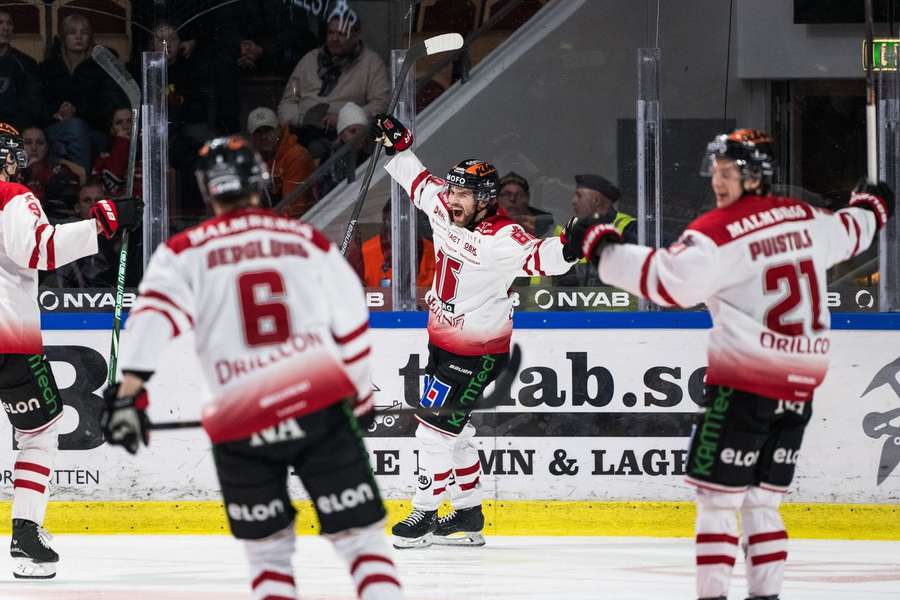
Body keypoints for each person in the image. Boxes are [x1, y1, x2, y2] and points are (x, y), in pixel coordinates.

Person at [565, 129, 894, 600]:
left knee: (718, 502)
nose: (717, 182)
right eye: (715, 172)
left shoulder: (717, 233)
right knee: (763, 502)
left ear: (755, 176)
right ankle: (767, 595)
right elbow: (854, 229)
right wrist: (872, 205)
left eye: (728, 173)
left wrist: (601, 247)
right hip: (799, 386)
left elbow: (666, 283)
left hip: (744, 386)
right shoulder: (808, 217)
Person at [101, 135, 404, 600]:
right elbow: (351, 321)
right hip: (317, 407)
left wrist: (129, 395)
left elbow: (152, 320)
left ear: (208, 189)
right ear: (259, 180)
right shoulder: (301, 238)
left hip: (238, 420)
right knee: (362, 544)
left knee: (269, 557)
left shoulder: (184, 252)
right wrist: (360, 395)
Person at [373, 114, 578, 548]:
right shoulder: (444, 206)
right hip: (442, 344)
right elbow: (416, 179)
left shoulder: (503, 238)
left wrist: (572, 244)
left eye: (463, 193)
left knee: (431, 429)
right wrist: (399, 144)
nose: (452, 199)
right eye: (452, 190)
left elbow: (545, 258)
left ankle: (425, 514)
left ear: (485, 199)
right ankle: (468, 515)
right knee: (457, 432)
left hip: (479, 353)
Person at [0, 122, 141, 578]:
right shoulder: (13, 197)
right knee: (39, 434)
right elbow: (39, 249)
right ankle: (25, 535)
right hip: (11, 340)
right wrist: (103, 222)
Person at [277, 15, 389, 133]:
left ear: (355, 37)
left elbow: (380, 104)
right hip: (303, 130)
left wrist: (346, 120)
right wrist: (295, 121)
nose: (334, 38)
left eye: (341, 34)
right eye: (331, 33)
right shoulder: (309, 60)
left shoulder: (371, 63)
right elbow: (290, 98)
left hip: (344, 133)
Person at [556, 173, 637, 287]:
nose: (573, 201)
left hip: (620, 303)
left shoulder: (629, 227)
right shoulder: (573, 228)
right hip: (581, 302)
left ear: (596, 200)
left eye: (579, 196)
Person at [247, 106, 315, 216]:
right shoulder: (251, 159)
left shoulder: (296, 156)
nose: (264, 136)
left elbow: (293, 208)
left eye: (268, 130)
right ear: (252, 137)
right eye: (258, 132)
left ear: (278, 130)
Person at [362, 201, 435, 288]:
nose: (400, 226)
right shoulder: (366, 251)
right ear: (385, 221)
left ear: (415, 221)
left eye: (405, 219)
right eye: (394, 220)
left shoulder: (432, 251)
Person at [0, 10, 44, 130]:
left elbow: (31, 106)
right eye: (0, 23)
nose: (5, 28)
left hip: (13, 128)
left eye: (9, 23)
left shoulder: (26, 63)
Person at [318, 102, 372, 198]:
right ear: (341, 135)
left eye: (362, 132)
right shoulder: (329, 160)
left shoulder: (369, 158)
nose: (358, 136)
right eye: (352, 131)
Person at [497, 172, 553, 237]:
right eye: (506, 194)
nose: (512, 199)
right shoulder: (485, 223)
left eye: (519, 194)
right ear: (497, 199)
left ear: (527, 198)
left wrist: (538, 232)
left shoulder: (548, 225)